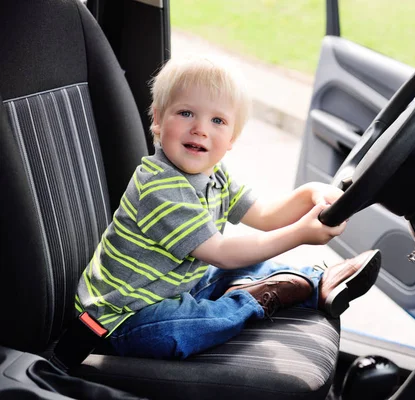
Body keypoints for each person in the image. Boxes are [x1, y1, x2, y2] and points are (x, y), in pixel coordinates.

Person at [75, 55, 381, 360]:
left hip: (181, 288)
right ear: (157, 118)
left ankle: (315, 281)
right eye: (186, 113)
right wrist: (300, 233)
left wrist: (309, 193)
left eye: (217, 121)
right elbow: (220, 251)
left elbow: (264, 215)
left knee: (243, 265)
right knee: (182, 331)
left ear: (232, 137)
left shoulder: (213, 175)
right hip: (120, 320)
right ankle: (254, 299)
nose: (200, 129)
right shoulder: (160, 187)